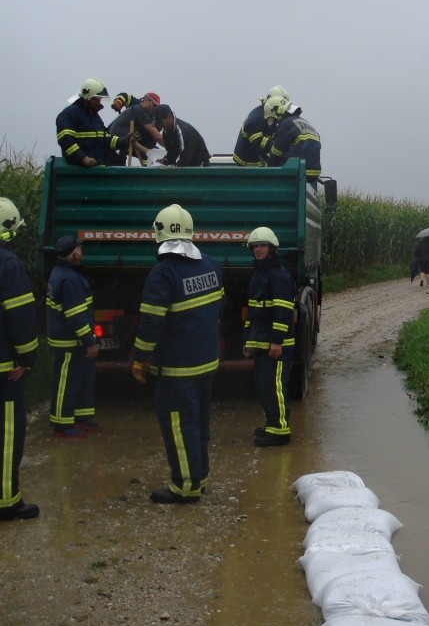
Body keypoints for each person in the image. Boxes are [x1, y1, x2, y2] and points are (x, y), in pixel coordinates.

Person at [132, 204, 224, 503]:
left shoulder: (162, 274)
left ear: (160, 232)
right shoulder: (210, 265)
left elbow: (150, 323)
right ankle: (200, 475)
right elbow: (218, 310)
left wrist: (140, 357)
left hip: (176, 368)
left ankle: (185, 486)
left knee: (178, 426)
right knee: (198, 423)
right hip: (206, 363)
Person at [0, 198, 40, 521]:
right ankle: (6, 501)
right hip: (4, 369)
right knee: (7, 434)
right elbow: (22, 317)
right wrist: (26, 357)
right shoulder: (8, 265)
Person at [243, 227, 295, 447]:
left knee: (275, 387)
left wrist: (276, 341)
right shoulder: (258, 274)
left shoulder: (279, 276)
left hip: (277, 345)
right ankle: (272, 424)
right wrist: (248, 340)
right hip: (261, 342)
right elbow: (254, 311)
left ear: (271, 249)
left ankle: (281, 430)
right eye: (255, 246)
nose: (258, 249)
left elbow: (283, 311)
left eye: (262, 246)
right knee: (264, 386)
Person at [46, 235, 99, 437]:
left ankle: (81, 417)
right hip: (69, 341)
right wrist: (89, 341)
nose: (81, 251)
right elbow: (76, 317)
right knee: (66, 381)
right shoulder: (70, 280)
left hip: (70, 339)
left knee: (81, 377)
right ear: (75, 254)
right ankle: (61, 423)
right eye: (79, 248)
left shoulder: (62, 273)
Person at [56, 77, 133, 167]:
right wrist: (83, 158)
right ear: (87, 96)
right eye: (96, 99)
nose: (99, 102)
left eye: (99, 99)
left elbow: (106, 139)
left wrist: (125, 140)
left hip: (96, 171)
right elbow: (65, 140)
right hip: (78, 172)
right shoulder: (70, 113)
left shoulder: (95, 117)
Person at [262, 95, 321, 182]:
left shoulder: (285, 124)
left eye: (272, 118)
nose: (274, 122)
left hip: (295, 172)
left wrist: (266, 169)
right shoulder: (304, 122)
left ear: (276, 111)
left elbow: (277, 153)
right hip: (313, 174)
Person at [232, 85, 290, 168]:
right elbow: (257, 143)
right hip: (247, 163)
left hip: (258, 161)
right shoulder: (255, 120)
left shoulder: (271, 114)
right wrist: (276, 147)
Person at [107, 92, 164, 164]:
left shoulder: (142, 112)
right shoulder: (141, 112)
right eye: (154, 105)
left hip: (121, 145)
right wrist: (172, 146)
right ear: (146, 100)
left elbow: (146, 149)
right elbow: (158, 137)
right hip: (115, 144)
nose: (155, 109)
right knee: (117, 168)